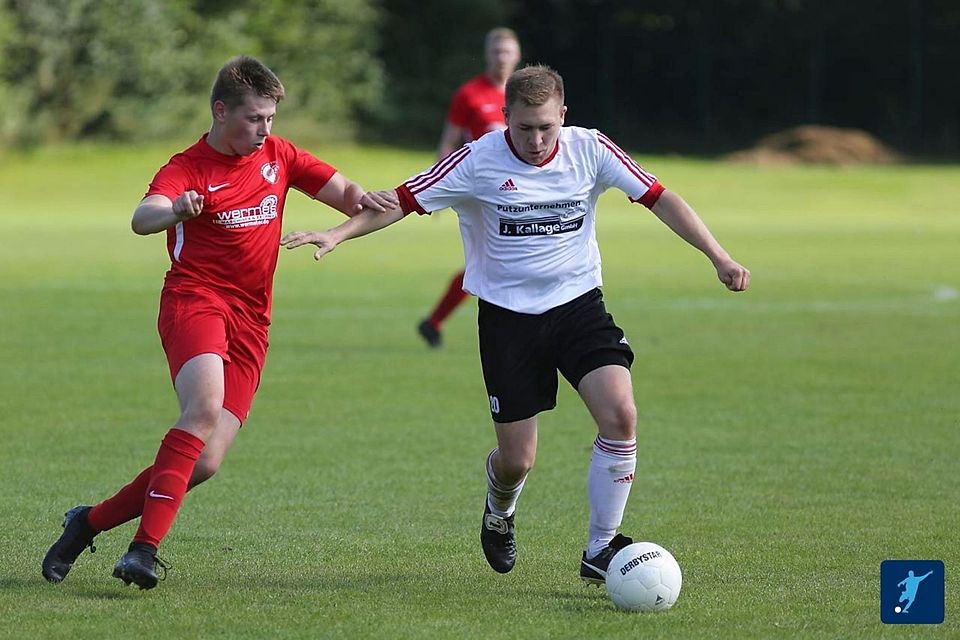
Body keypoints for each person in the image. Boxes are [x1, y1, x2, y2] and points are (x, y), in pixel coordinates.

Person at [281, 64, 750, 582]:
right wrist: (338, 233)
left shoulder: (590, 148)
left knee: (620, 413)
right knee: (517, 461)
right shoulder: (478, 158)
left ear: (563, 116)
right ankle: (499, 509)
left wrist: (719, 256)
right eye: (523, 127)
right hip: (508, 320)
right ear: (505, 117)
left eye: (546, 126)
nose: (535, 138)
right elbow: (400, 202)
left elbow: (661, 199)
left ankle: (599, 549)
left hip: (578, 306)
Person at [40, 55, 395, 590]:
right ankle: (143, 549)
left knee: (202, 463)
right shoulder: (187, 167)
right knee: (202, 409)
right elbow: (143, 217)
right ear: (220, 110)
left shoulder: (280, 155)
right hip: (195, 300)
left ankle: (86, 522)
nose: (265, 129)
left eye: (271, 118)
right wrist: (177, 209)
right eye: (255, 118)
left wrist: (343, 228)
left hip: (252, 319)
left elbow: (355, 198)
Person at [417, 27, 522, 348]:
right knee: (497, 258)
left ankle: (434, 322)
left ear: (517, 55)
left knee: (497, 259)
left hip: (524, 190)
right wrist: (436, 186)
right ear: (487, 54)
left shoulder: (525, 93)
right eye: (496, 51)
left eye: (507, 52)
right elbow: (449, 141)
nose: (501, 58)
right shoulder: (469, 94)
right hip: (483, 191)